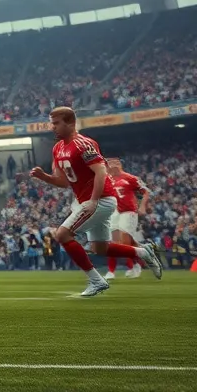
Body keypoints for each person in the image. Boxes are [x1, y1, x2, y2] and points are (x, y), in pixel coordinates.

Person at [23, 107, 162, 297]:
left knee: (62, 235)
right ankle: (143, 252)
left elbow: (101, 172)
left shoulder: (84, 144)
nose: (52, 127)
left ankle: (96, 280)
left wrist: (94, 200)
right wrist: (44, 176)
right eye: (51, 123)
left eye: (56, 123)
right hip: (90, 201)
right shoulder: (57, 148)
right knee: (100, 248)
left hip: (101, 199)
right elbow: (63, 182)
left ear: (70, 123)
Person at [104, 157, 150, 280]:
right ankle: (111, 271)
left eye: (115, 162)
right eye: (110, 163)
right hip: (114, 212)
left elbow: (145, 192)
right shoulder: (105, 179)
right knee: (112, 243)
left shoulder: (130, 178)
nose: (113, 165)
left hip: (128, 211)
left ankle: (136, 264)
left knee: (125, 242)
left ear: (120, 165)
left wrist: (142, 206)